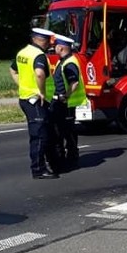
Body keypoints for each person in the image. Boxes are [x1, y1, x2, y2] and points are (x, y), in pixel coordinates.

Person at [9, 27, 60, 179]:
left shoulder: (22, 53)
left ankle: (53, 163)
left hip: (25, 98)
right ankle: (38, 169)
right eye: (47, 41)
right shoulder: (39, 55)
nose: (48, 44)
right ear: (40, 40)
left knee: (48, 132)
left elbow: (12, 70)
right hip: (36, 101)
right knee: (40, 136)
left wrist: (22, 85)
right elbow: (39, 73)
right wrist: (42, 91)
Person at [47, 34, 87, 171]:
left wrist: (66, 95)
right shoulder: (63, 61)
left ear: (62, 47)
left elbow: (74, 83)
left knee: (67, 133)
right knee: (64, 132)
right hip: (61, 103)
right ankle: (66, 158)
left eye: (56, 46)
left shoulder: (69, 63)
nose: (54, 48)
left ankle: (70, 160)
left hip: (66, 104)